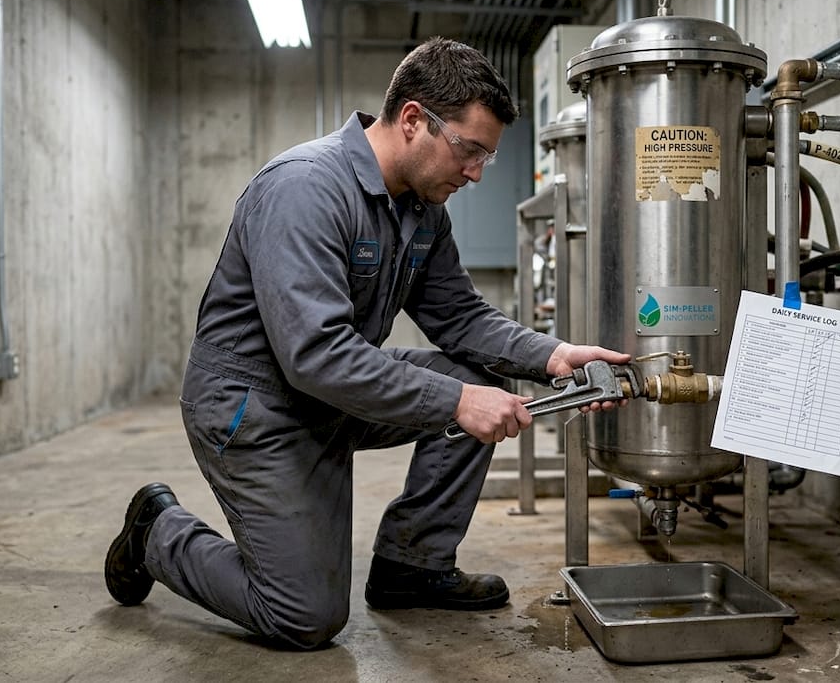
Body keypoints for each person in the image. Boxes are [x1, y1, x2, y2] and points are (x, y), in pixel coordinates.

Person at [104, 37, 629, 650]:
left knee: (474, 375)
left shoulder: (422, 210)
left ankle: (412, 564)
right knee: (304, 616)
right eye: (470, 151)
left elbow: (458, 317)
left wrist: (553, 356)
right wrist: (457, 403)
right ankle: (157, 533)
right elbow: (316, 354)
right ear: (413, 120)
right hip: (252, 404)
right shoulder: (305, 188)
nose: (477, 173)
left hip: (328, 392)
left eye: (486, 157)